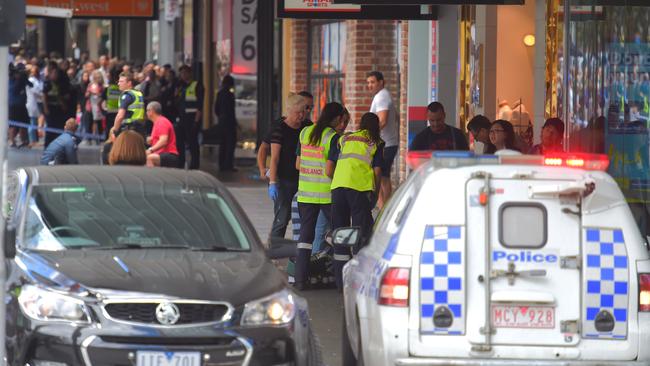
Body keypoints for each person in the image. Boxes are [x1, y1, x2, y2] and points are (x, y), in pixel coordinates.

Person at [329, 112, 384, 290]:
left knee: (341, 234)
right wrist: (375, 194)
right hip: (359, 189)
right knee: (359, 233)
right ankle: (359, 283)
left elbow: (331, 167)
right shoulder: (376, 142)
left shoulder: (345, 139)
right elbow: (376, 172)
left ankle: (340, 283)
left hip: (338, 187)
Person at [293, 102, 345, 290]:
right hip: (326, 195)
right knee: (340, 235)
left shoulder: (305, 133)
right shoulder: (332, 137)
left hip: (305, 194)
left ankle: (300, 280)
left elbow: (298, 164)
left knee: (305, 238)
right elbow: (330, 170)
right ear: (338, 118)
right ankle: (340, 282)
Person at [268, 94, 309, 239]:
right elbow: (274, 158)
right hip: (283, 178)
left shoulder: (307, 127)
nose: (301, 115)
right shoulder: (279, 128)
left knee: (304, 217)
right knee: (282, 217)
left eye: (304, 111)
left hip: (302, 178)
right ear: (289, 111)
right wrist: (272, 182)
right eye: (298, 112)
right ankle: (274, 249)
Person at [257, 91, 314, 180]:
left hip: (302, 176)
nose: (308, 111)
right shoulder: (278, 126)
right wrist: (262, 169)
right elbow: (264, 147)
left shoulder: (309, 126)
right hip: (282, 176)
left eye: (311, 107)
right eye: (306, 107)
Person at [367, 71, 398, 209]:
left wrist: (369, 136)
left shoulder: (381, 97)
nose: (370, 85)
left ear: (381, 82)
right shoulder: (382, 96)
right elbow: (395, 117)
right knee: (382, 176)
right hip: (387, 142)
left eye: (372, 82)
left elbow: (383, 120)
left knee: (380, 176)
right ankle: (384, 207)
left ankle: (384, 208)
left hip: (385, 144)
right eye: (368, 83)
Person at [176, 65, 204, 169]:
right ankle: (180, 163)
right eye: (181, 73)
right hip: (182, 118)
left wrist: (196, 121)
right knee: (180, 143)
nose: (182, 75)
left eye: (184, 73)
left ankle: (195, 165)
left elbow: (200, 106)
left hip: (192, 118)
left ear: (189, 73)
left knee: (193, 143)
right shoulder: (181, 87)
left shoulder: (197, 85)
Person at [42, 63, 71, 147]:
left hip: (59, 108)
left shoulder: (60, 83)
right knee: (50, 127)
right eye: (54, 73)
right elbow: (44, 96)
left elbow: (61, 95)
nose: (55, 75)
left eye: (57, 73)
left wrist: (63, 104)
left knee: (59, 127)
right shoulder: (47, 83)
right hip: (50, 107)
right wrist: (46, 108)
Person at [214, 74, 238, 172]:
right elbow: (231, 111)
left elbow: (216, 109)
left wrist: (220, 117)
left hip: (222, 122)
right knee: (230, 144)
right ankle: (228, 165)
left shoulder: (219, 94)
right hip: (229, 123)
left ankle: (221, 164)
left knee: (222, 143)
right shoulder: (230, 94)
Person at [112, 71, 146, 138]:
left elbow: (120, 116)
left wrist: (115, 130)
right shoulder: (138, 94)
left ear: (129, 83)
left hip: (128, 129)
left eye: (121, 81)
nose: (118, 84)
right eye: (119, 81)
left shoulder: (127, 95)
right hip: (140, 128)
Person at [145, 102, 179, 168]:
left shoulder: (161, 122)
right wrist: (151, 140)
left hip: (169, 154)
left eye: (147, 110)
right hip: (162, 154)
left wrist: (150, 150)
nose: (146, 113)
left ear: (151, 111)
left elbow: (163, 141)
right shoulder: (157, 122)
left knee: (149, 158)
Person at [8, 63, 30, 148]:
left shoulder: (22, 78)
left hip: (22, 104)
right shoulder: (12, 79)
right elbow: (14, 90)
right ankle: (12, 141)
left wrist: (23, 78)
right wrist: (18, 79)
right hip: (14, 105)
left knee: (24, 123)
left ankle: (24, 140)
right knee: (13, 124)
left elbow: (30, 84)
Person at [25, 64, 43, 147]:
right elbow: (35, 91)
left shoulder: (37, 80)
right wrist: (42, 96)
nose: (33, 73)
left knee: (34, 122)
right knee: (32, 122)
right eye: (32, 71)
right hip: (32, 103)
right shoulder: (31, 80)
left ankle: (35, 140)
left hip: (36, 103)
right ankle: (32, 140)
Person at [86, 70, 105, 144]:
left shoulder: (102, 86)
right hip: (90, 106)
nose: (98, 78)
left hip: (98, 107)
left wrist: (99, 94)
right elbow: (86, 95)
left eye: (99, 77)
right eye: (96, 77)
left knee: (99, 123)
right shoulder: (90, 85)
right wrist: (90, 92)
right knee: (89, 122)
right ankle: (89, 139)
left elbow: (103, 96)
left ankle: (100, 139)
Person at [104, 67, 121, 137]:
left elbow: (102, 100)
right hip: (120, 112)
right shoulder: (121, 88)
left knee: (109, 129)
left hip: (110, 112)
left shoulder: (108, 88)